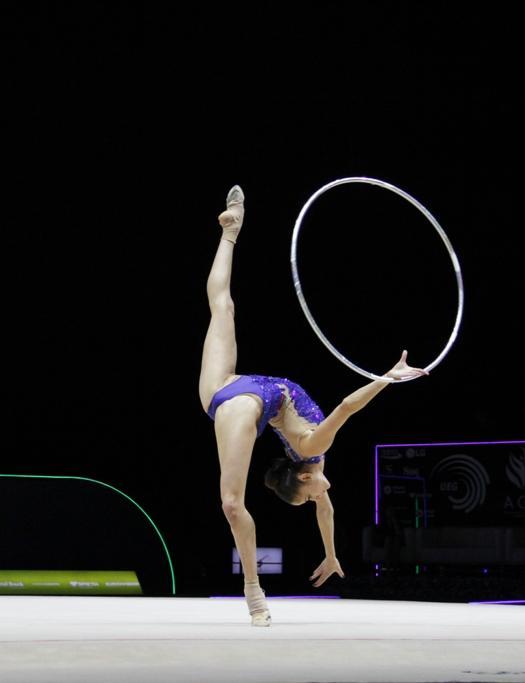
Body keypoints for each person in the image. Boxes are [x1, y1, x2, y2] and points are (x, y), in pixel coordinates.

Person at [198, 185, 427, 626]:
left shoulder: (310, 447)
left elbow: (346, 407)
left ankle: (252, 592)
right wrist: (332, 554)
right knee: (222, 307)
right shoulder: (311, 464)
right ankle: (231, 231)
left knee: (231, 502)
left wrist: (386, 379)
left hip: (242, 401)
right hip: (233, 391)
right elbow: (326, 510)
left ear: (305, 478)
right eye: (311, 498)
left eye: (308, 496)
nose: (320, 498)